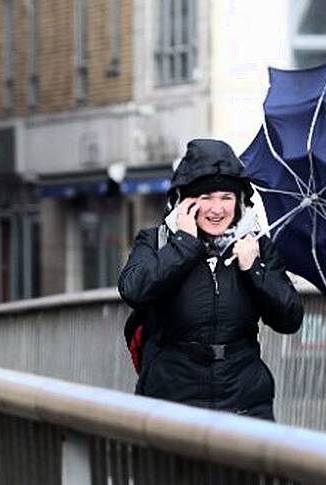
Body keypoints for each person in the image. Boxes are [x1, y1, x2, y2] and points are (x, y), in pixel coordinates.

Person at [118, 139, 302, 421]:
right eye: (206, 198)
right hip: (172, 403)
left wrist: (253, 268)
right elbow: (134, 289)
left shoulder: (255, 247)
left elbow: (289, 318)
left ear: (239, 202)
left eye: (227, 198)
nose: (217, 209)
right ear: (185, 201)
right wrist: (184, 244)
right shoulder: (157, 241)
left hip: (245, 402)